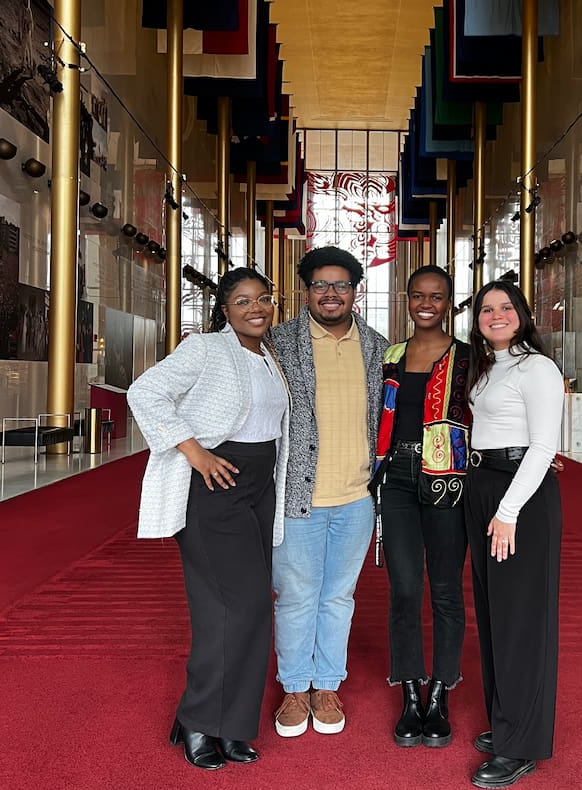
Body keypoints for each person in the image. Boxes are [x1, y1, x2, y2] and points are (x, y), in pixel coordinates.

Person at [127, 268, 289, 770]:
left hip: (260, 488)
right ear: (224, 309)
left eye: (263, 298)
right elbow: (144, 392)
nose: (255, 308)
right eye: (242, 301)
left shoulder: (269, 357)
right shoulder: (204, 348)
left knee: (253, 608)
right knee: (230, 608)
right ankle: (200, 720)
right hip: (215, 489)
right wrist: (194, 452)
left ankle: (232, 726)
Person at [270, 246, 388, 737]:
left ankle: (327, 684)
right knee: (297, 595)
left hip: (357, 497)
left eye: (341, 285)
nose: (331, 293)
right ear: (305, 291)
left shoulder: (379, 347)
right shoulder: (277, 342)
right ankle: (295, 688)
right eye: (321, 285)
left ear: (356, 291)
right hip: (297, 496)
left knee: (339, 596)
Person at [464, 280, 564, 789]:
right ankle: (507, 720)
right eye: (487, 309)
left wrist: (507, 511)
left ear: (522, 316)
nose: (496, 315)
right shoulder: (488, 367)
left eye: (506, 308)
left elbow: (544, 445)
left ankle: (521, 743)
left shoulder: (537, 367)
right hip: (484, 487)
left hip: (517, 497)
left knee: (522, 620)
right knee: (494, 613)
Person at [370, 265, 471, 749]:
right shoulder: (390, 355)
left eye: (436, 296)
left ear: (448, 302)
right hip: (398, 480)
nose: (426, 303)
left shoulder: (469, 358)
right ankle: (410, 690)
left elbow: (490, 412)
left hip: (447, 479)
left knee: (446, 589)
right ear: (407, 300)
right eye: (418, 295)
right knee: (405, 589)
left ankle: (441, 693)